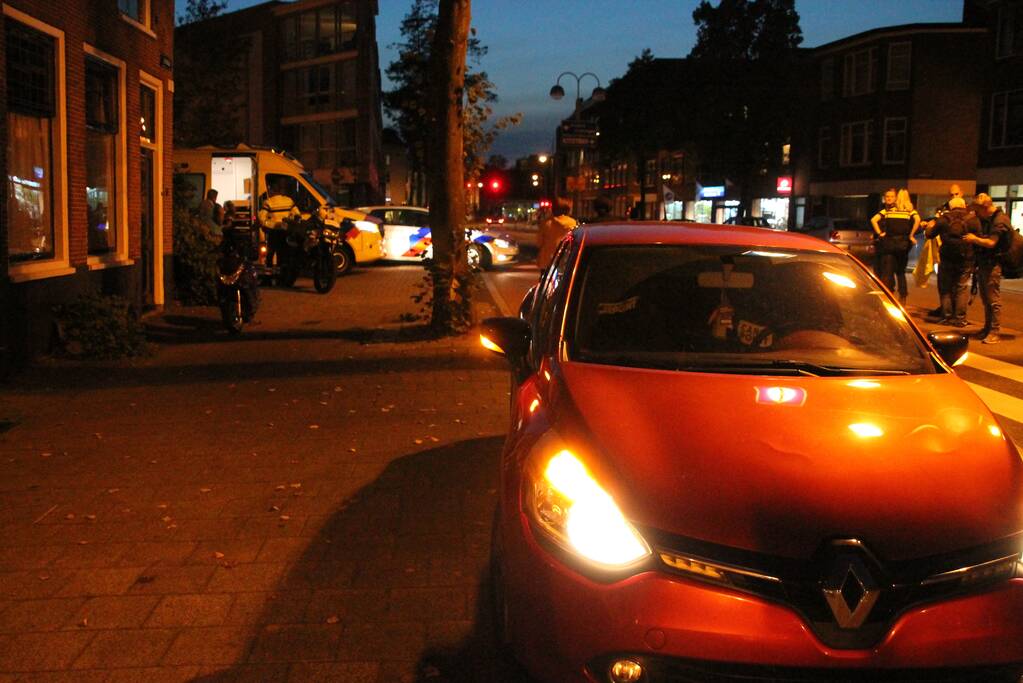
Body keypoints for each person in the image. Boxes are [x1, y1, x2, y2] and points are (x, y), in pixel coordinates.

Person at [963, 193, 1012, 343]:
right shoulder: (988, 219)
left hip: (993, 264)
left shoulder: (999, 220)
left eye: (978, 209)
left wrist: (974, 239)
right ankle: (987, 328)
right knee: (986, 298)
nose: (976, 213)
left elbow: (992, 243)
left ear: (985, 207)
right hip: (985, 263)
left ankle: (994, 331)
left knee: (993, 299)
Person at [925, 196, 979, 327]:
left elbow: (930, 235)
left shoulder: (943, 219)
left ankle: (946, 317)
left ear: (950, 207)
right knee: (961, 288)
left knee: (945, 288)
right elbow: (979, 237)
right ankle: (960, 319)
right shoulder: (972, 220)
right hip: (966, 258)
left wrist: (930, 226)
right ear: (964, 206)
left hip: (947, 257)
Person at [921, 184, 965, 319]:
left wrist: (929, 228)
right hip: (962, 255)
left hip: (949, 254)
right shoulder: (969, 215)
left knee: (947, 286)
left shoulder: (947, 216)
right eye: (951, 194)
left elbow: (931, 232)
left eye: (956, 194)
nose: (953, 197)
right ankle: (957, 316)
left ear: (961, 193)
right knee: (959, 287)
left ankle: (947, 314)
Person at [871, 188, 920, 305]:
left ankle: (888, 296)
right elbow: (917, 220)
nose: (889, 199)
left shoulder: (889, 211)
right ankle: (903, 296)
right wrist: (911, 235)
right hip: (903, 245)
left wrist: (880, 233)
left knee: (888, 271)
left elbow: (873, 219)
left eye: (892, 197)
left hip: (889, 244)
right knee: (901, 272)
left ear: (897, 198)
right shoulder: (910, 211)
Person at [258, 180, 300, 273]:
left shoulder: (268, 202)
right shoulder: (289, 200)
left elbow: (261, 218)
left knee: (271, 252)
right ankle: (282, 271)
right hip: (286, 231)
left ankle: (269, 272)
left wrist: (269, 225)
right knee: (283, 252)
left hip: (274, 231)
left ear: (272, 191)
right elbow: (297, 214)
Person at [537, 199, 577, 271]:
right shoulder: (573, 223)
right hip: (565, 260)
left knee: (546, 280)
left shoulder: (546, 223)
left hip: (547, 261)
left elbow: (539, 242)